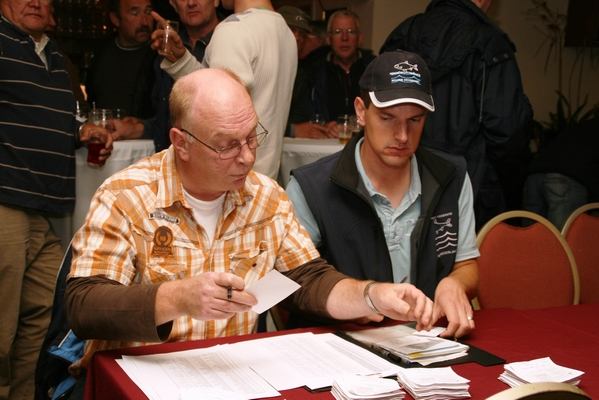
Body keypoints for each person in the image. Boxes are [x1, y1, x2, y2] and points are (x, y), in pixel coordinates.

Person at [64, 69, 435, 389]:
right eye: (227, 146)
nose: (247, 157)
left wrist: (372, 295)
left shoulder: (265, 197)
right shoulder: (126, 195)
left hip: (233, 380)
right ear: (181, 143)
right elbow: (84, 306)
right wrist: (177, 298)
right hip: (140, 380)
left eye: (252, 137)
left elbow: (308, 280)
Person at [287, 50, 479, 339]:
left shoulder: (451, 177)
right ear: (361, 111)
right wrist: (361, 298)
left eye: (415, 120)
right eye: (387, 118)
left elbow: (466, 265)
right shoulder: (311, 187)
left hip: (427, 341)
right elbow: (292, 283)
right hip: (340, 343)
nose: (402, 135)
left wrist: (455, 284)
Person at [0, 0, 113, 396]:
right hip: (6, 201)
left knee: (46, 317)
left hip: (44, 209)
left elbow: (45, 115)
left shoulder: (52, 53)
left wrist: (80, 131)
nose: (35, 1)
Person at [379, 0, 533, 231]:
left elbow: (381, 109)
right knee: (468, 252)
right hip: (474, 189)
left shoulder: (403, 34)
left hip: (405, 181)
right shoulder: (489, 43)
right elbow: (507, 130)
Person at [150, 0, 297, 179]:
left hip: (228, 177)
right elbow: (218, 90)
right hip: (262, 176)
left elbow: (219, 110)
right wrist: (182, 61)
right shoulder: (284, 30)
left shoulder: (233, 29)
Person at [110, 0, 222, 152]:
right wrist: (137, 128)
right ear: (174, 5)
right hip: (175, 157)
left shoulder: (230, 41)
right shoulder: (167, 46)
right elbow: (166, 119)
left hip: (216, 155)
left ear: (216, 1)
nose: (191, 3)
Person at [300, 9, 376, 137]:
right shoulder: (312, 72)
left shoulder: (374, 70)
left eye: (351, 32)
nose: (345, 38)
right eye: (338, 32)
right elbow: (302, 116)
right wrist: (324, 126)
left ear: (360, 38)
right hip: (325, 143)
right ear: (328, 38)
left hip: (366, 141)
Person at [522, 117, 599, 230]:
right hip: (566, 178)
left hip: (534, 174)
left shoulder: (586, 125)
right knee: (562, 237)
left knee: (531, 236)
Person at [85, 0, 157, 120]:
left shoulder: (159, 54)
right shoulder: (103, 50)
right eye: (134, 14)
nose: (144, 22)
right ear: (115, 19)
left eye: (148, 12)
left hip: (141, 131)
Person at [277, 5, 331, 139]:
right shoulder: (260, 64)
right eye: (290, 30)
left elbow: (300, 115)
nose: (297, 38)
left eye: (301, 34)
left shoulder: (300, 73)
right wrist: (292, 130)